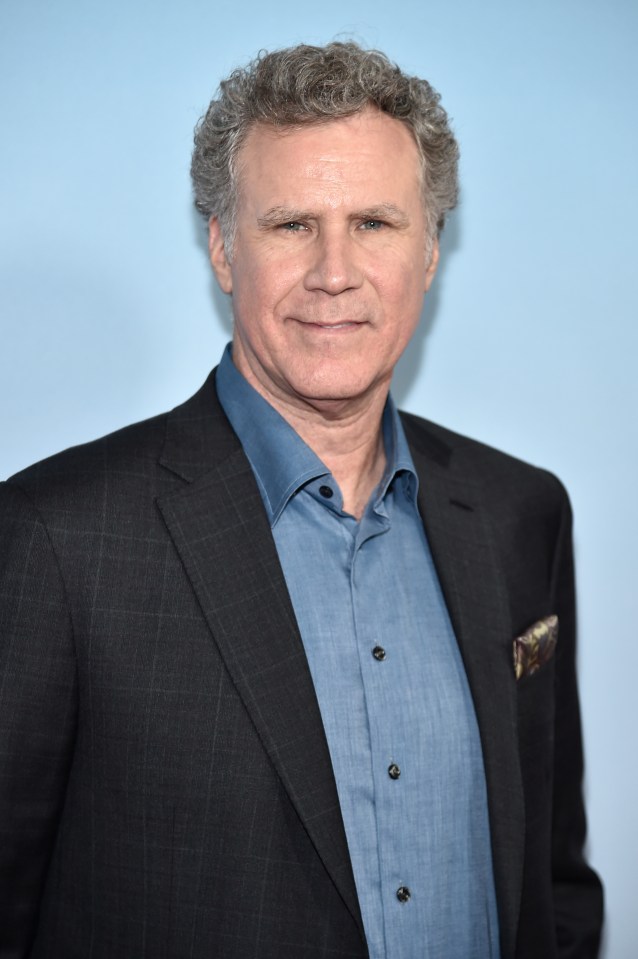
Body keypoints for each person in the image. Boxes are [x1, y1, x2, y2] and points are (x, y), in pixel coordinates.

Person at [0, 41, 603, 959]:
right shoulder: (57, 536)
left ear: (431, 249)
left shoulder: (523, 513)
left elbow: (553, 876)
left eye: (374, 222)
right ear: (221, 248)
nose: (334, 271)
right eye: (290, 225)